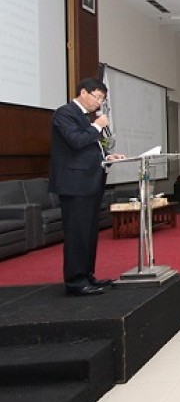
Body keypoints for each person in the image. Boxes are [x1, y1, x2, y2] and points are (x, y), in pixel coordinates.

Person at [49, 78, 126, 296]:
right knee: (77, 234)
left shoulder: (84, 117)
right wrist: (96, 126)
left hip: (90, 183)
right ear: (84, 92)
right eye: (97, 97)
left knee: (89, 234)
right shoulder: (64, 113)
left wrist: (108, 156)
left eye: (102, 98)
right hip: (74, 185)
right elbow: (75, 141)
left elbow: (87, 149)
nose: (99, 103)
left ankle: (87, 276)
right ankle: (75, 282)